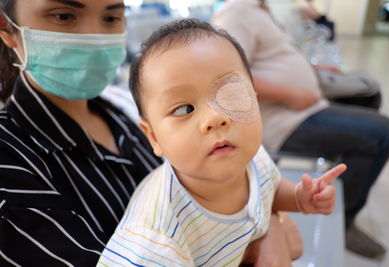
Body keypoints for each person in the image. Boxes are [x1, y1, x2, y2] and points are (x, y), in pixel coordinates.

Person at [0, 1, 302, 266]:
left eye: (110, 18)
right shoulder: (10, 160)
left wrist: (266, 224)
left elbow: (227, 188)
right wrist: (264, 237)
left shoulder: (123, 107)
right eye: (64, 16)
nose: (93, 35)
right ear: (7, 28)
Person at [97, 19, 346, 266]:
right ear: (153, 137)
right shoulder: (156, 243)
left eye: (231, 94)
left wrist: (299, 197)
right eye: (184, 108)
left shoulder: (253, 156)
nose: (215, 118)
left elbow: (268, 188)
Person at [212, 0, 389, 259]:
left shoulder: (260, 11)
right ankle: (345, 219)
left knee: (368, 94)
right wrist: (290, 95)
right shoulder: (236, 13)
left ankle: (355, 175)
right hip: (283, 118)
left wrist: (313, 70)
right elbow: (225, 76)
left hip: (302, 105)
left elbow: (274, 57)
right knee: (382, 133)